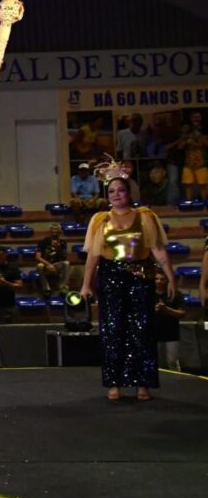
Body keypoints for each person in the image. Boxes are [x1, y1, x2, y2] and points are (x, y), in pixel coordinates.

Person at [80, 165, 176, 402]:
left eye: (120, 190)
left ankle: (143, 384)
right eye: (112, 191)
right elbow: (93, 256)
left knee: (142, 329)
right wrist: (86, 284)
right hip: (110, 277)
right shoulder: (100, 220)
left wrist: (170, 277)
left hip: (140, 277)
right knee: (112, 329)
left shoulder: (145, 217)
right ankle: (114, 383)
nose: (116, 194)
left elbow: (158, 250)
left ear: (129, 192)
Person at [150, 271, 185, 372]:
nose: (159, 281)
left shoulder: (176, 294)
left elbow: (182, 314)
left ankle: (177, 381)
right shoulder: (148, 295)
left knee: (172, 362)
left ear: (167, 281)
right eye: (156, 279)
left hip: (172, 335)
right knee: (157, 365)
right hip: (153, 335)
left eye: (162, 279)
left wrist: (166, 309)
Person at [35, 224, 70, 296]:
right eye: (53, 232)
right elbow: (38, 257)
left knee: (66, 263)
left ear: (59, 233)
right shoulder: (43, 242)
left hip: (57, 265)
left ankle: (62, 287)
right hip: (46, 265)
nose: (54, 234)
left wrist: (58, 248)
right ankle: (46, 289)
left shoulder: (63, 242)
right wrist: (48, 265)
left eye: (56, 232)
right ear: (50, 232)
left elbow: (64, 257)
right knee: (39, 266)